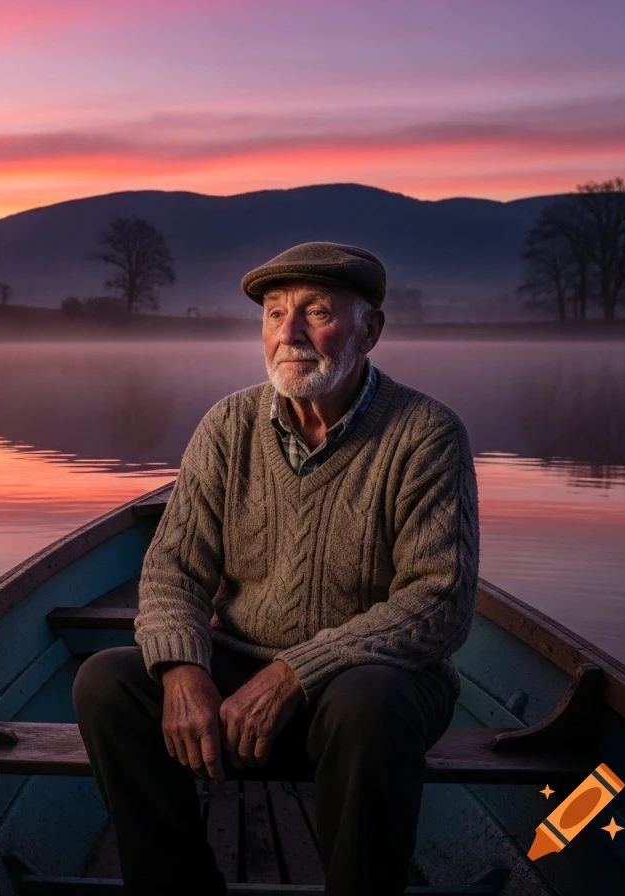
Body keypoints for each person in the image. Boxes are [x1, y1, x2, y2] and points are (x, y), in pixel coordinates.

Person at [71, 241, 480, 896]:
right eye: (274, 313)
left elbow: (439, 602)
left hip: (374, 684)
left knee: (368, 703)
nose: (289, 333)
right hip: (240, 673)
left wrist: (294, 674)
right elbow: (173, 569)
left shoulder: (426, 433)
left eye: (315, 312)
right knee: (108, 683)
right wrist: (182, 671)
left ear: (369, 329)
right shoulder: (227, 426)